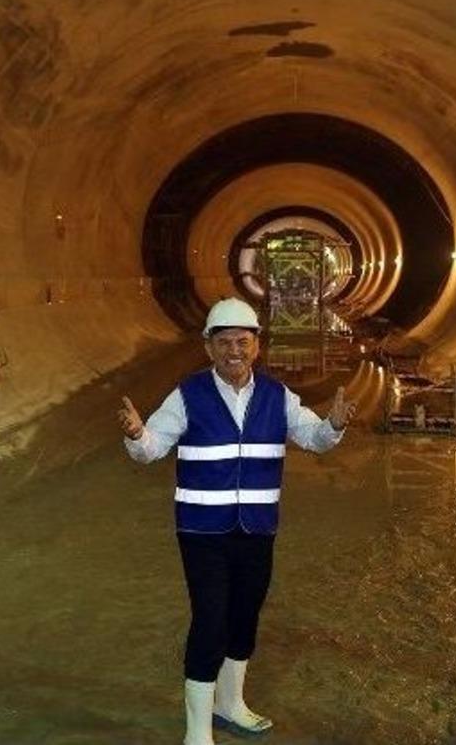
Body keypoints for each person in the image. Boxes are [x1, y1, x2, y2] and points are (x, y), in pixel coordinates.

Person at [118, 297, 356, 745]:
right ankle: (197, 732)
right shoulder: (187, 394)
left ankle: (231, 705)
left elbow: (314, 438)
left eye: (242, 342)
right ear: (209, 347)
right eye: (224, 342)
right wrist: (136, 435)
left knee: (244, 617)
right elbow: (152, 448)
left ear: (257, 346)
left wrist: (334, 426)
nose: (234, 351)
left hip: (257, 529)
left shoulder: (277, 396)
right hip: (202, 533)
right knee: (210, 621)